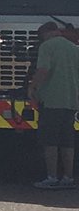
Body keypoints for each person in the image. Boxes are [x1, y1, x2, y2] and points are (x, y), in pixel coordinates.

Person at [28, 21, 79, 189]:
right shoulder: (74, 48)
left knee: (50, 141)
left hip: (51, 101)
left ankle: (51, 177)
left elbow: (43, 70)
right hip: (71, 101)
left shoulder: (47, 47)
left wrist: (32, 86)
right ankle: (68, 177)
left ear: (46, 34)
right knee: (67, 142)